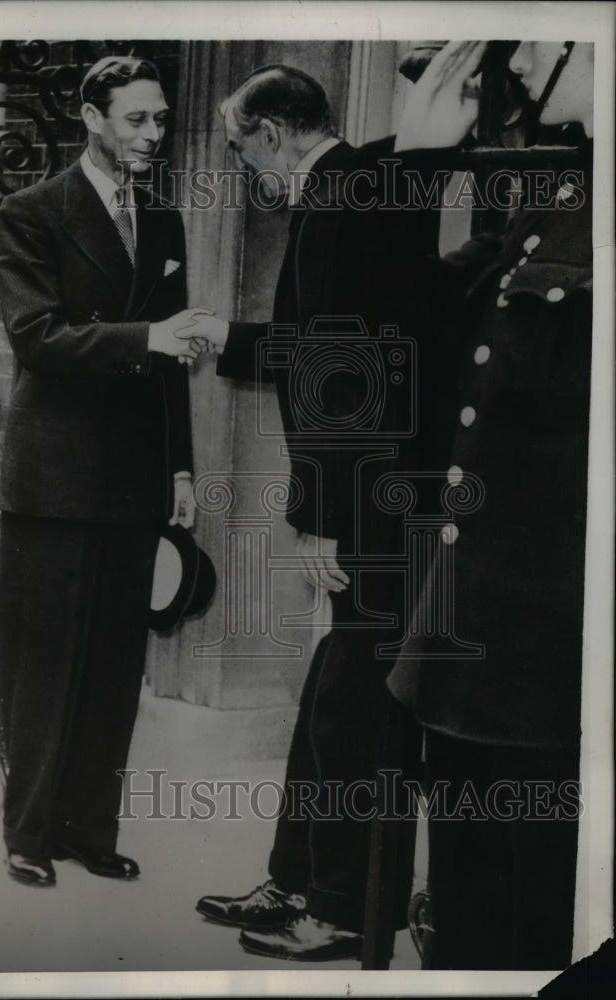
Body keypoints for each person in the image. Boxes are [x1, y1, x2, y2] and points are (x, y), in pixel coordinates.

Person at [188, 64, 437, 961]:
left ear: (271, 132)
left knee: (352, 702)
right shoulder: (349, 189)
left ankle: (342, 910)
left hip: (369, 492)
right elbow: (317, 342)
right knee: (334, 690)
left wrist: (324, 512)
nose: (247, 170)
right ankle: (298, 881)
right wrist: (229, 336)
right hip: (377, 482)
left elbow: (345, 366)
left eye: (241, 147)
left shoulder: (341, 197)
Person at [384, 40, 594, 969]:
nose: (534, 55)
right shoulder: (557, 193)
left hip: (559, 645)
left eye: (557, 38)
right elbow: (413, 328)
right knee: (466, 903)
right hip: (481, 627)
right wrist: (423, 170)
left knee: (540, 913)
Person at [0, 55, 209, 887]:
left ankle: (88, 827)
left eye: (159, 120)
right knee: (47, 656)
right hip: (53, 476)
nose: (153, 135)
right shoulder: (29, 212)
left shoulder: (164, 220)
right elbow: (35, 337)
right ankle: (28, 831)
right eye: (136, 119)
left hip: (133, 477)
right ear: (92, 116)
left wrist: (181, 471)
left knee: (118, 660)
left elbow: (179, 356)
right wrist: (144, 337)